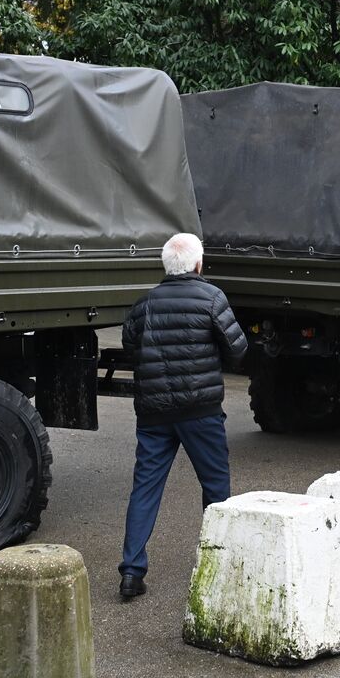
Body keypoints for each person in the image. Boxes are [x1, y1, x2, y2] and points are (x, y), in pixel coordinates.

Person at [117, 232, 247, 601]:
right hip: (201, 411)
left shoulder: (144, 305)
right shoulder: (212, 298)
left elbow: (130, 348)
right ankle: (218, 568)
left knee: (145, 488)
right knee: (216, 490)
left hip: (154, 413)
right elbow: (238, 349)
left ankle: (131, 571)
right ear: (199, 264)